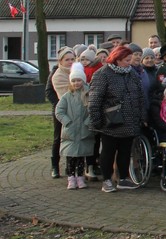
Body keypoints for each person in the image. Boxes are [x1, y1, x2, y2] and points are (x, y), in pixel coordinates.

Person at [89, 46, 146, 193]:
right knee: (108, 151)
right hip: (110, 122)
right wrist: (96, 121)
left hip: (129, 121)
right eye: (127, 60)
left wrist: (141, 115)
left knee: (125, 151)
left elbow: (140, 96)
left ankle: (123, 179)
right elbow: (95, 100)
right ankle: (107, 180)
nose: (129, 62)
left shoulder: (132, 73)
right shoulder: (102, 74)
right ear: (118, 59)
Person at [55, 68, 93, 190]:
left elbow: (93, 110)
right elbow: (59, 111)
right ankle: (71, 178)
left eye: (79, 80)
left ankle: (80, 177)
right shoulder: (66, 96)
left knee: (81, 157)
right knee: (70, 157)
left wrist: (88, 122)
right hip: (70, 131)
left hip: (84, 131)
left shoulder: (88, 95)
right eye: (74, 81)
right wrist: (67, 122)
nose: (76, 83)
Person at [49, 47, 76, 179]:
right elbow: (66, 94)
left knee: (72, 138)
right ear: (61, 61)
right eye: (67, 60)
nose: (70, 62)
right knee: (58, 138)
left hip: (77, 111)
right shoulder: (58, 75)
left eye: (72, 59)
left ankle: (69, 166)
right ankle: (54, 166)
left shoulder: (77, 71)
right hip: (62, 110)